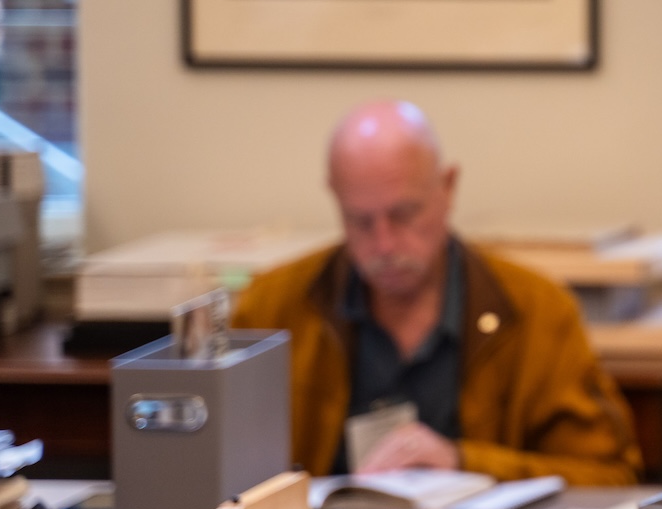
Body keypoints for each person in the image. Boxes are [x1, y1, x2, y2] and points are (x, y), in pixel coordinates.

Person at [233, 100, 641, 484]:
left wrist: (464, 464)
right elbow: (223, 477)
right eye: (360, 221)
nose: (384, 245)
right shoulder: (273, 311)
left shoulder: (536, 312)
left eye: (404, 214)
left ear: (447, 189)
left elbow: (610, 477)